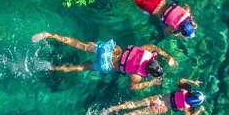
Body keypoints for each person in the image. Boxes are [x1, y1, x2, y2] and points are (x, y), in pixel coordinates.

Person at [31, 32, 176, 89]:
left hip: (109, 50)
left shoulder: (147, 51)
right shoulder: (137, 76)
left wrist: (167, 56)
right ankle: (52, 67)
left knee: (80, 44)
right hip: (106, 64)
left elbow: (154, 47)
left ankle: (49, 35)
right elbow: (132, 87)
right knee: (81, 67)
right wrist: (151, 83)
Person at [102, 79, 206, 115]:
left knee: (134, 104)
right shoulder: (188, 107)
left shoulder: (184, 90)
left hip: (158, 99)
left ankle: (109, 109)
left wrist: (193, 82)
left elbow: (181, 80)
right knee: (135, 114)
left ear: (193, 92)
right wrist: (199, 111)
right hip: (160, 108)